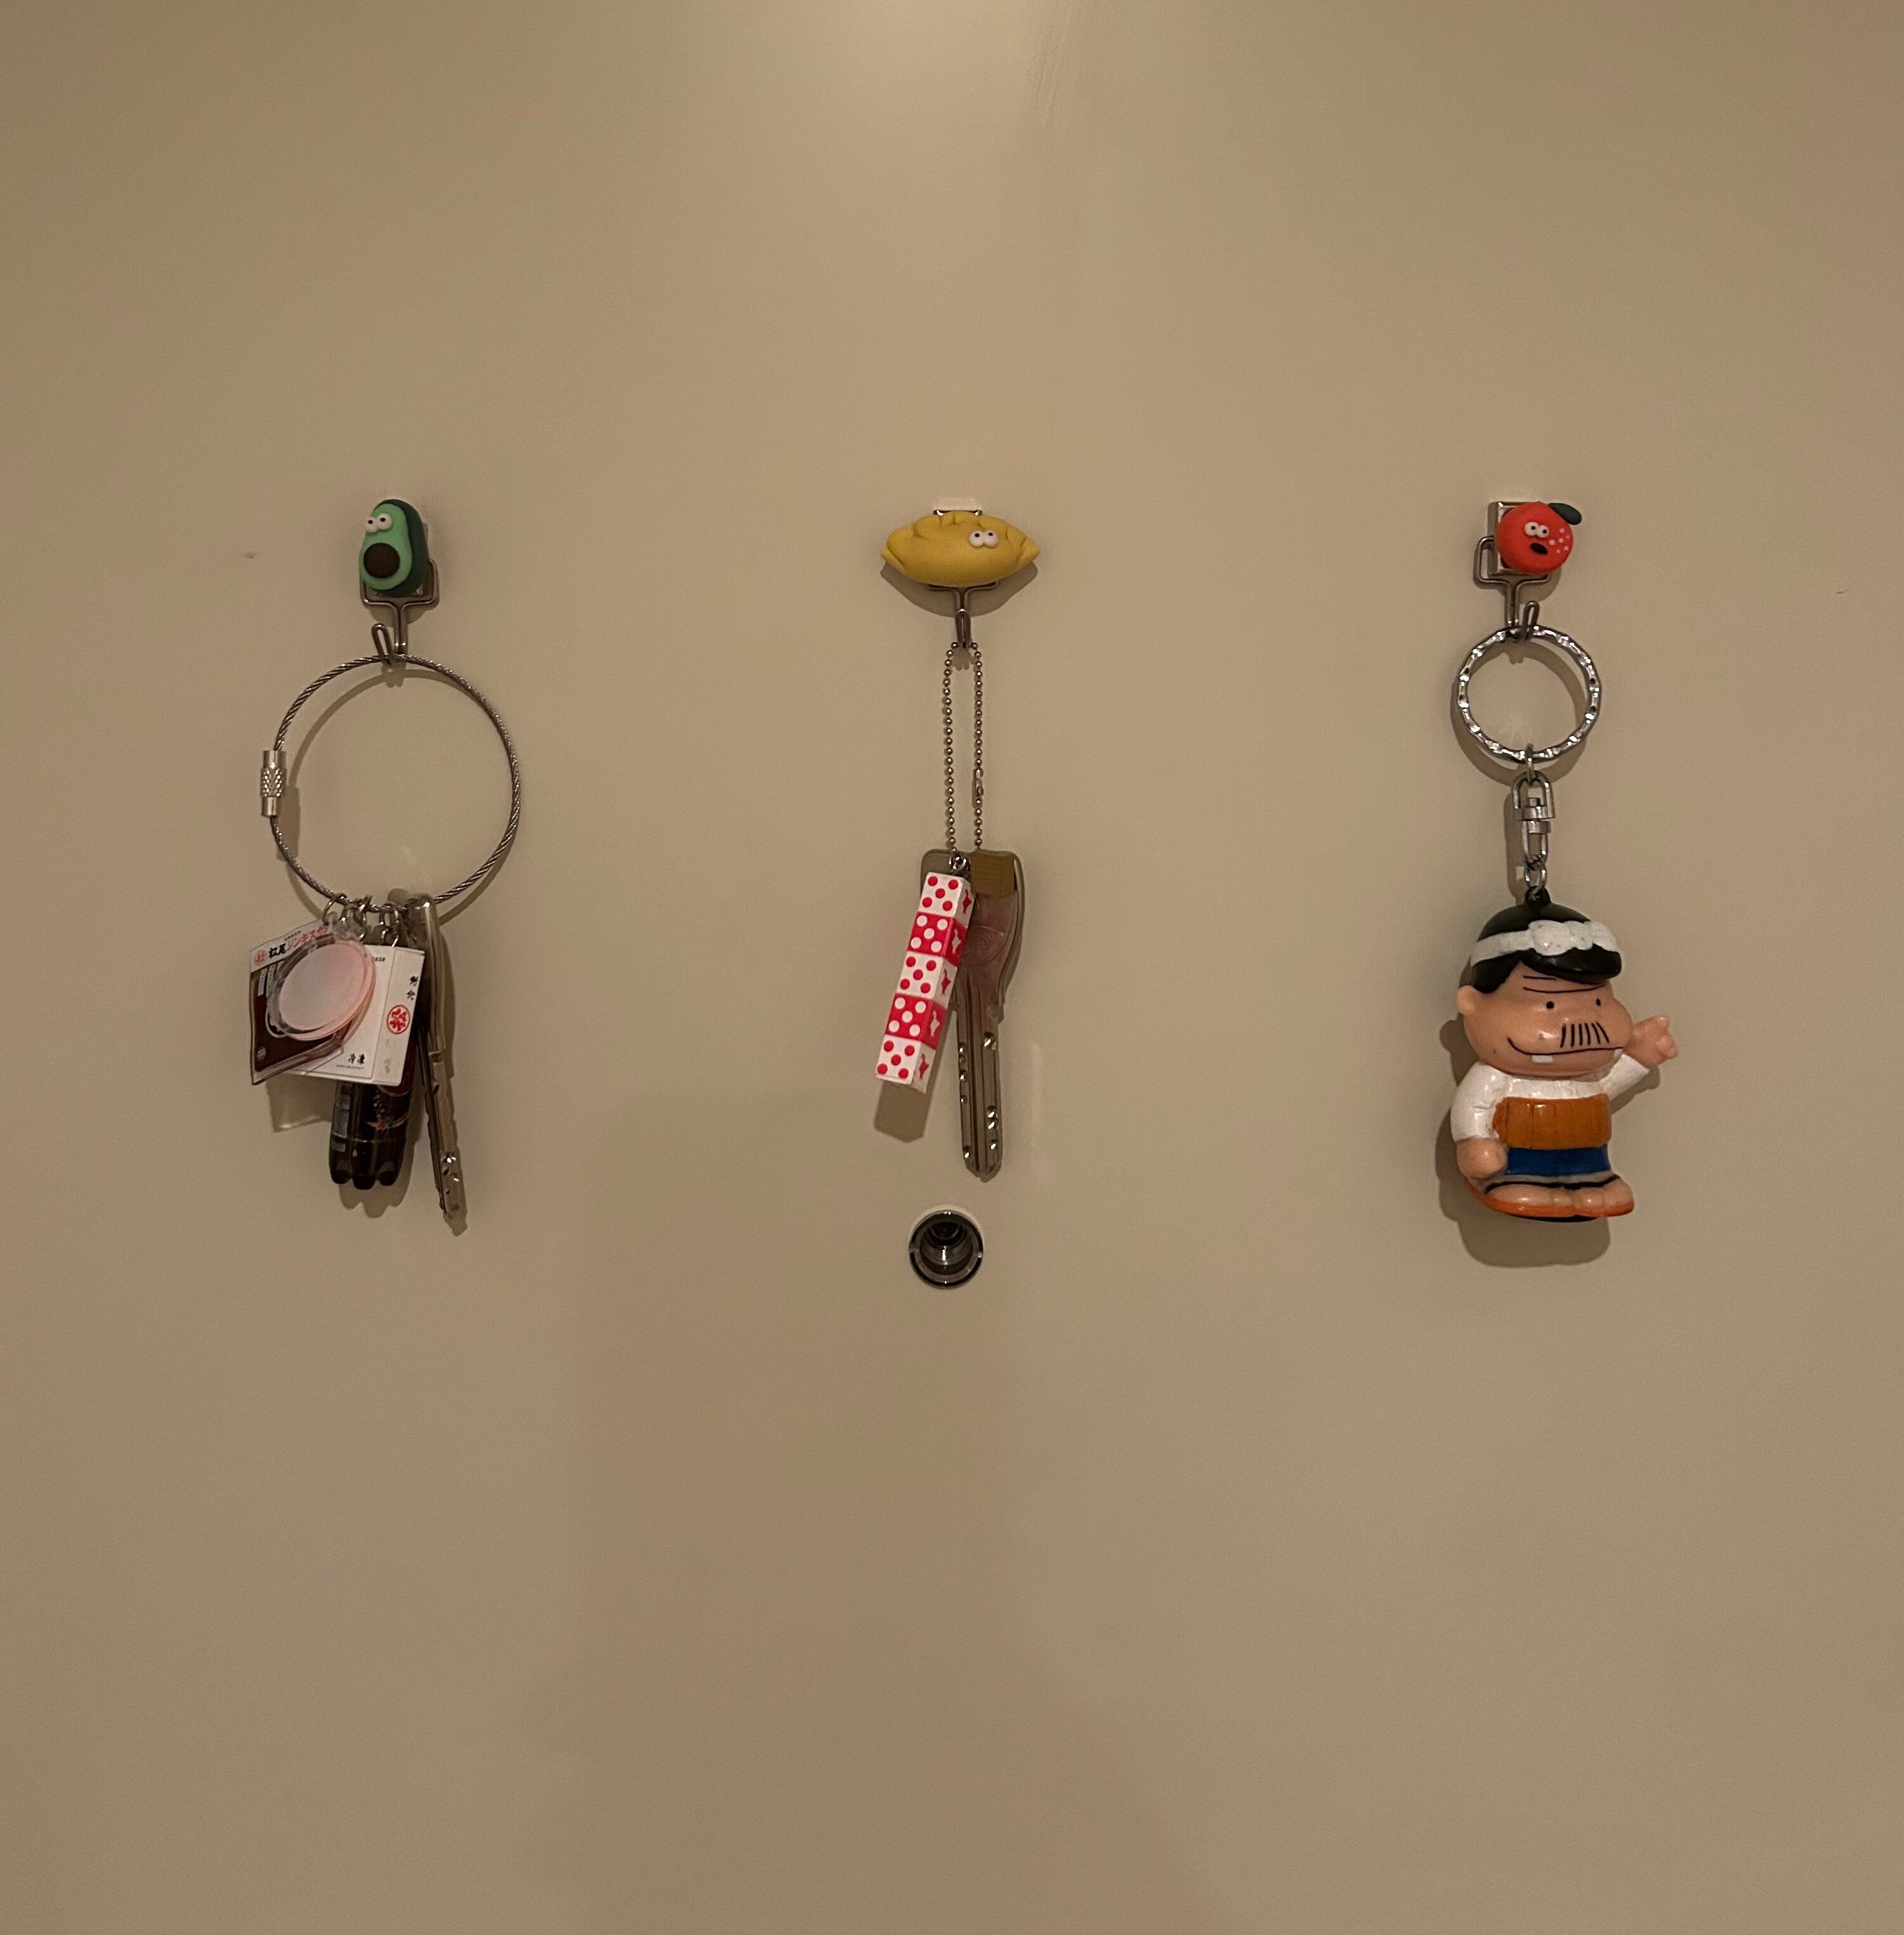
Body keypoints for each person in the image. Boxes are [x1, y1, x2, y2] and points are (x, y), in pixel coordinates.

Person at [1450, 896, 1677, 1221]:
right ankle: (1522, 1183)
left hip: (1590, 1158)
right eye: (1550, 1005)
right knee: (1525, 1178)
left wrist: (1639, 1057)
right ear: (1473, 1004)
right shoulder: (1495, 1076)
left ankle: (1594, 1183)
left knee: (1596, 1182)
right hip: (1520, 1161)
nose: (1583, 1025)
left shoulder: (1588, 1075)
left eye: (1598, 1002)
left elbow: (1608, 1085)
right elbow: (1473, 1108)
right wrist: (1474, 1143)